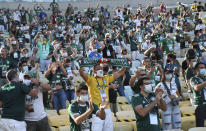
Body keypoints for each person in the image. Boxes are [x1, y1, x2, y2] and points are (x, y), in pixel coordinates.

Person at [79, 61, 126, 131]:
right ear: (94, 71)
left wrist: (125, 65)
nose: (100, 70)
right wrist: (81, 67)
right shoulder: (91, 79)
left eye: (101, 68)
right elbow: (82, 74)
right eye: (98, 69)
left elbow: (119, 73)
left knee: (109, 129)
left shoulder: (106, 78)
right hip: (96, 110)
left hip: (107, 108)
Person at [190, 62, 206, 127]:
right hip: (200, 105)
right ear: (196, 69)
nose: (203, 69)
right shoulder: (193, 79)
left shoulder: (205, 78)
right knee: (200, 126)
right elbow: (197, 88)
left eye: (204, 68)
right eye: (201, 68)